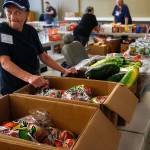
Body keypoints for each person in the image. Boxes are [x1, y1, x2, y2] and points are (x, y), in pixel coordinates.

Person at [0, 0, 76, 95]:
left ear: (26, 14)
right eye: (9, 12)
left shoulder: (31, 31)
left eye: (17, 12)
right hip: (13, 88)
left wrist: (64, 70)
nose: (12, 17)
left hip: (34, 84)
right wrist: (29, 77)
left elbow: (43, 56)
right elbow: (4, 62)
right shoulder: (2, 30)